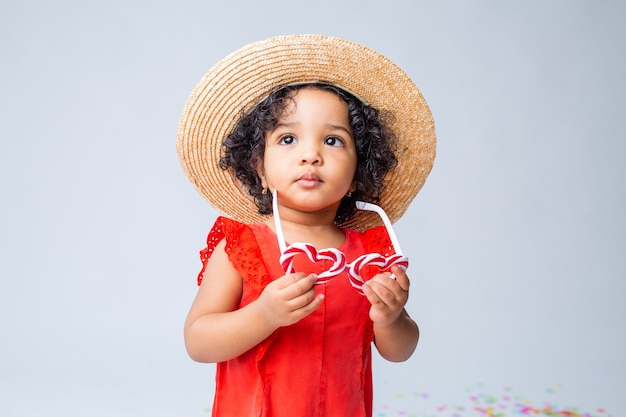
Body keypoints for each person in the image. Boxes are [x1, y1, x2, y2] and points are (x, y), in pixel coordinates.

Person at [176, 35, 436, 417]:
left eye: (333, 140)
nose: (311, 155)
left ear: (357, 174)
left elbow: (400, 351)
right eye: (288, 139)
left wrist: (392, 318)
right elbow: (198, 342)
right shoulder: (243, 245)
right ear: (259, 168)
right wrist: (264, 315)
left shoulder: (371, 254)